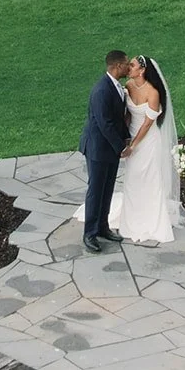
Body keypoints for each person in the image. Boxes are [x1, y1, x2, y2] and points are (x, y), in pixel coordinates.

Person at [107, 54, 182, 245]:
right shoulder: (129, 87)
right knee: (132, 179)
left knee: (149, 178)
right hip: (132, 136)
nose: (127, 68)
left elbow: (148, 124)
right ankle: (130, 219)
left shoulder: (153, 93)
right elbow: (128, 116)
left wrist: (133, 145)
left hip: (147, 142)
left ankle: (151, 220)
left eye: (131, 65)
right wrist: (125, 138)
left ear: (142, 70)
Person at [78, 50, 130, 253]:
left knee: (107, 189)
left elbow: (117, 118)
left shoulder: (116, 87)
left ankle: (103, 227)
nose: (128, 67)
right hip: (98, 148)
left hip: (109, 148)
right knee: (96, 190)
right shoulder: (101, 90)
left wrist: (125, 137)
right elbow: (105, 124)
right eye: (126, 64)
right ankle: (89, 233)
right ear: (117, 66)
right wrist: (122, 147)